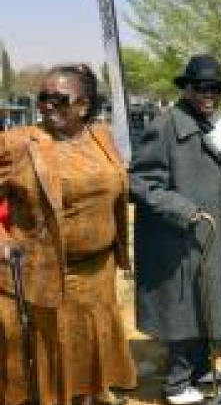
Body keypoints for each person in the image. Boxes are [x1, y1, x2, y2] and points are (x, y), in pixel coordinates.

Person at [0, 64, 136, 405]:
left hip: (99, 272)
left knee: (92, 350)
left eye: (58, 99)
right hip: (49, 273)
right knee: (56, 356)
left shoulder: (102, 138)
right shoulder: (19, 144)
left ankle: (90, 396)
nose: (47, 106)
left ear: (84, 105)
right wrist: (4, 243)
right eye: (43, 98)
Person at [129, 54, 221, 405]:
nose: (207, 94)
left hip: (220, 236)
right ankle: (178, 384)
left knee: (211, 303)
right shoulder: (166, 126)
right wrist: (184, 210)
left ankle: (200, 371)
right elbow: (141, 181)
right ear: (188, 88)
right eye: (200, 87)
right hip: (182, 235)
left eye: (214, 88)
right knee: (185, 308)